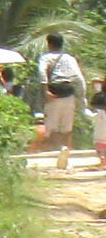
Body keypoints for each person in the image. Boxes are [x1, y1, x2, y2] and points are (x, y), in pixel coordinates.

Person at [38, 33, 86, 170]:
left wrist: (45, 91)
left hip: (54, 93)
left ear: (49, 44)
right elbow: (79, 78)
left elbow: (42, 73)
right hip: (69, 93)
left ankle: (58, 154)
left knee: (52, 128)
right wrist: (82, 98)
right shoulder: (70, 58)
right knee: (67, 128)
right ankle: (66, 155)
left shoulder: (45, 58)